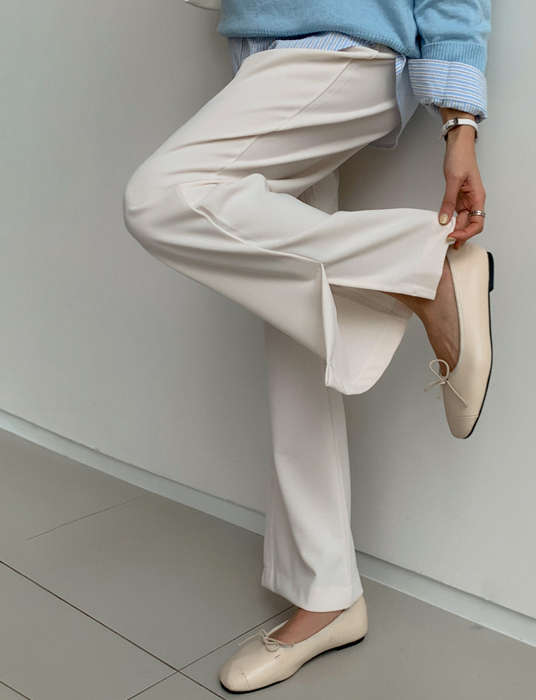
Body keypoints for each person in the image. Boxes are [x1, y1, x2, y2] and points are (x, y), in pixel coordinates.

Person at [122, 0, 493, 692]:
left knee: (160, 197)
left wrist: (459, 119)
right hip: (266, 54)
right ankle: (327, 593)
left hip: (340, 48)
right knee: (301, 311)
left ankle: (421, 269)